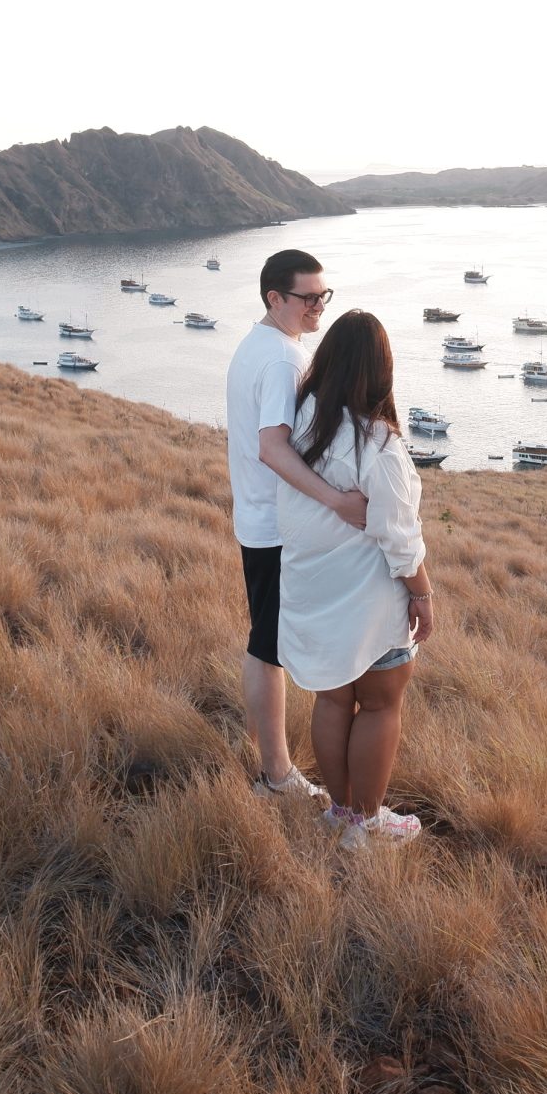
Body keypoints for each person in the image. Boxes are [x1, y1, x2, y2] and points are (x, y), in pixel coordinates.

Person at [275, 309, 435, 849]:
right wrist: (422, 594)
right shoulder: (379, 445)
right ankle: (365, 826)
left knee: (333, 701)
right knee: (381, 704)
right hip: (368, 600)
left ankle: (341, 814)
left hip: (312, 588)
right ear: (381, 372)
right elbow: (400, 537)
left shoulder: (300, 423)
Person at [225, 248, 367, 799]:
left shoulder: (258, 344)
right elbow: (272, 448)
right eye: (308, 298)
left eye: (323, 295)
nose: (319, 306)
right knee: (268, 649)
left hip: (258, 518)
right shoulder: (283, 359)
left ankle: (273, 766)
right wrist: (336, 500)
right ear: (274, 298)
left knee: (266, 644)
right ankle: (277, 775)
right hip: (276, 527)